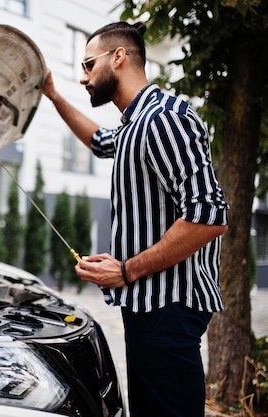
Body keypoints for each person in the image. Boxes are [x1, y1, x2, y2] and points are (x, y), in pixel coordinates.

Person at [42, 21, 228, 417]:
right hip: (148, 309)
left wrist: (125, 270)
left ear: (119, 57)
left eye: (89, 65)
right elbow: (96, 140)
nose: (84, 76)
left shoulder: (164, 118)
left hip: (169, 310)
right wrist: (53, 96)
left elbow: (209, 217)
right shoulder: (133, 127)